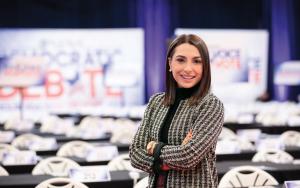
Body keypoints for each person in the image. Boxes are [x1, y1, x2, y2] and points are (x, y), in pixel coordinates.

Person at [129, 34, 224, 187]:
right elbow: (135, 154)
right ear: (170, 63)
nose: (188, 68)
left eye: (197, 61)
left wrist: (155, 147)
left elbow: (189, 156)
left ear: (205, 66)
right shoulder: (156, 102)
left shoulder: (210, 105)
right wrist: (164, 163)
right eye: (180, 60)